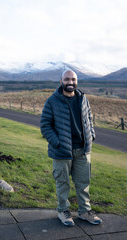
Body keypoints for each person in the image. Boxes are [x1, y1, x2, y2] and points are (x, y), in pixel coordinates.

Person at [40, 70, 102, 227]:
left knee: (83, 183)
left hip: (83, 149)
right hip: (62, 150)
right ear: (61, 80)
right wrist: (57, 142)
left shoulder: (83, 99)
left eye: (73, 79)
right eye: (67, 79)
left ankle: (84, 212)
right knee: (62, 183)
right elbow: (45, 124)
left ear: (76, 81)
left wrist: (91, 135)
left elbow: (89, 118)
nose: (70, 82)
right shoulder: (52, 101)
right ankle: (63, 211)